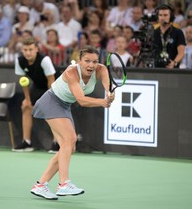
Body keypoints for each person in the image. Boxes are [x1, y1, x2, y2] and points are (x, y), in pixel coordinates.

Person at [30, 45, 115, 200]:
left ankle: (41, 185)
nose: (91, 65)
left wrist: (110, 95)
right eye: (87, 61)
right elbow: (81, 100)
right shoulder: (71, 73)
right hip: (51, 101)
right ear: (79, 61)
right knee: (69, 140)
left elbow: (107, 87)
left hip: (64, 105)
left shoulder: (101, 69)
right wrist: (102, 102)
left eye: (95, 61)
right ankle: (63, 184)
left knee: (69, 147)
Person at [13, 37, 59, 153]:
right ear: (22, 50)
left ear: (36, 49)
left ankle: (57, 142)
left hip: (56, 86)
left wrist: (51, 99)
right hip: (39, 86)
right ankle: (27, 143)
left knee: (53, 109)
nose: (28, 52)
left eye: (30, 49)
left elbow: (51, 80)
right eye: (25, 50)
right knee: (26, 107)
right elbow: (24, 81)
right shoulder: (20, 61)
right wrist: (27, 100)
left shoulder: (45, 60)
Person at [152, 4, 186, 68]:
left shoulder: (178, 32)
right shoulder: (154, 32)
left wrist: (174, 62)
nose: (162, 18)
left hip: (172, 69)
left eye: (165, 15)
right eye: (160, 15)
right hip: (156, 69)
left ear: (171, 16)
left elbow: (181, 53)